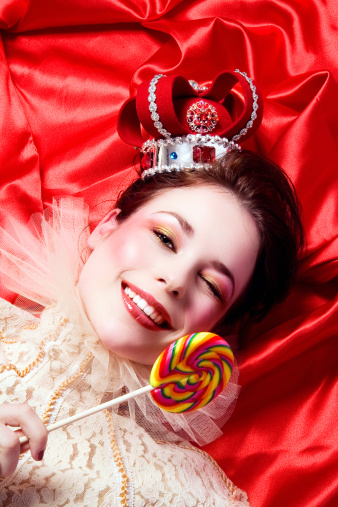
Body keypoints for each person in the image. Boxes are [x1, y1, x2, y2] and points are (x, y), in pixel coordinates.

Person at [0, 71, 303, 506]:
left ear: (215, 327)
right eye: (164, 239)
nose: (176, 281)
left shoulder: (185, 495)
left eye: (211, 285)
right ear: (106, 226)